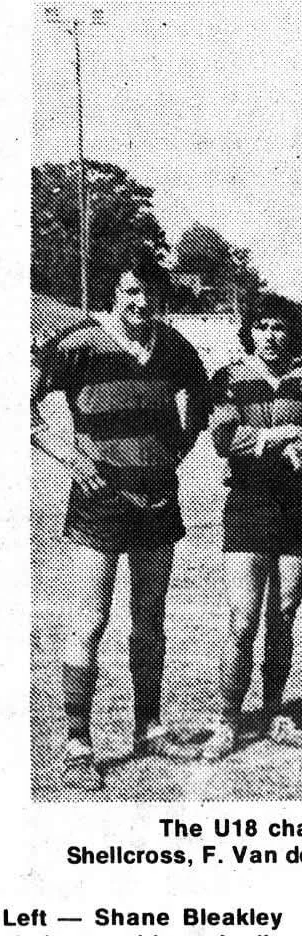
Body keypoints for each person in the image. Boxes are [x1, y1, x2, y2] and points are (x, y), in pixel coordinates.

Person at [32, 261, 212, 789]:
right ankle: (77, 740)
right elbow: (26, 403)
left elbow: (200, 397)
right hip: (101, 499)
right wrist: (69, 457)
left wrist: (180, 444)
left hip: (158, 498)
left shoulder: (175, 346)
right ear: (116, 293)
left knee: (150, 615)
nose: (140, 302)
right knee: (91, 618)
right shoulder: (79, 343)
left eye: (149, 294)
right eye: (131, 292)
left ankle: (149, 727)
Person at [201, 292, 302, 759]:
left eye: (281, 327)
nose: (272, 336)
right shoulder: (230, 378)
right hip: (249, 502)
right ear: (250, 331)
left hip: (297, 505)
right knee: (242, 620)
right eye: (263, 326)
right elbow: (223, 439)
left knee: (283, 615)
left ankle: (275, 712)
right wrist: (274, 439)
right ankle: (227, 722)